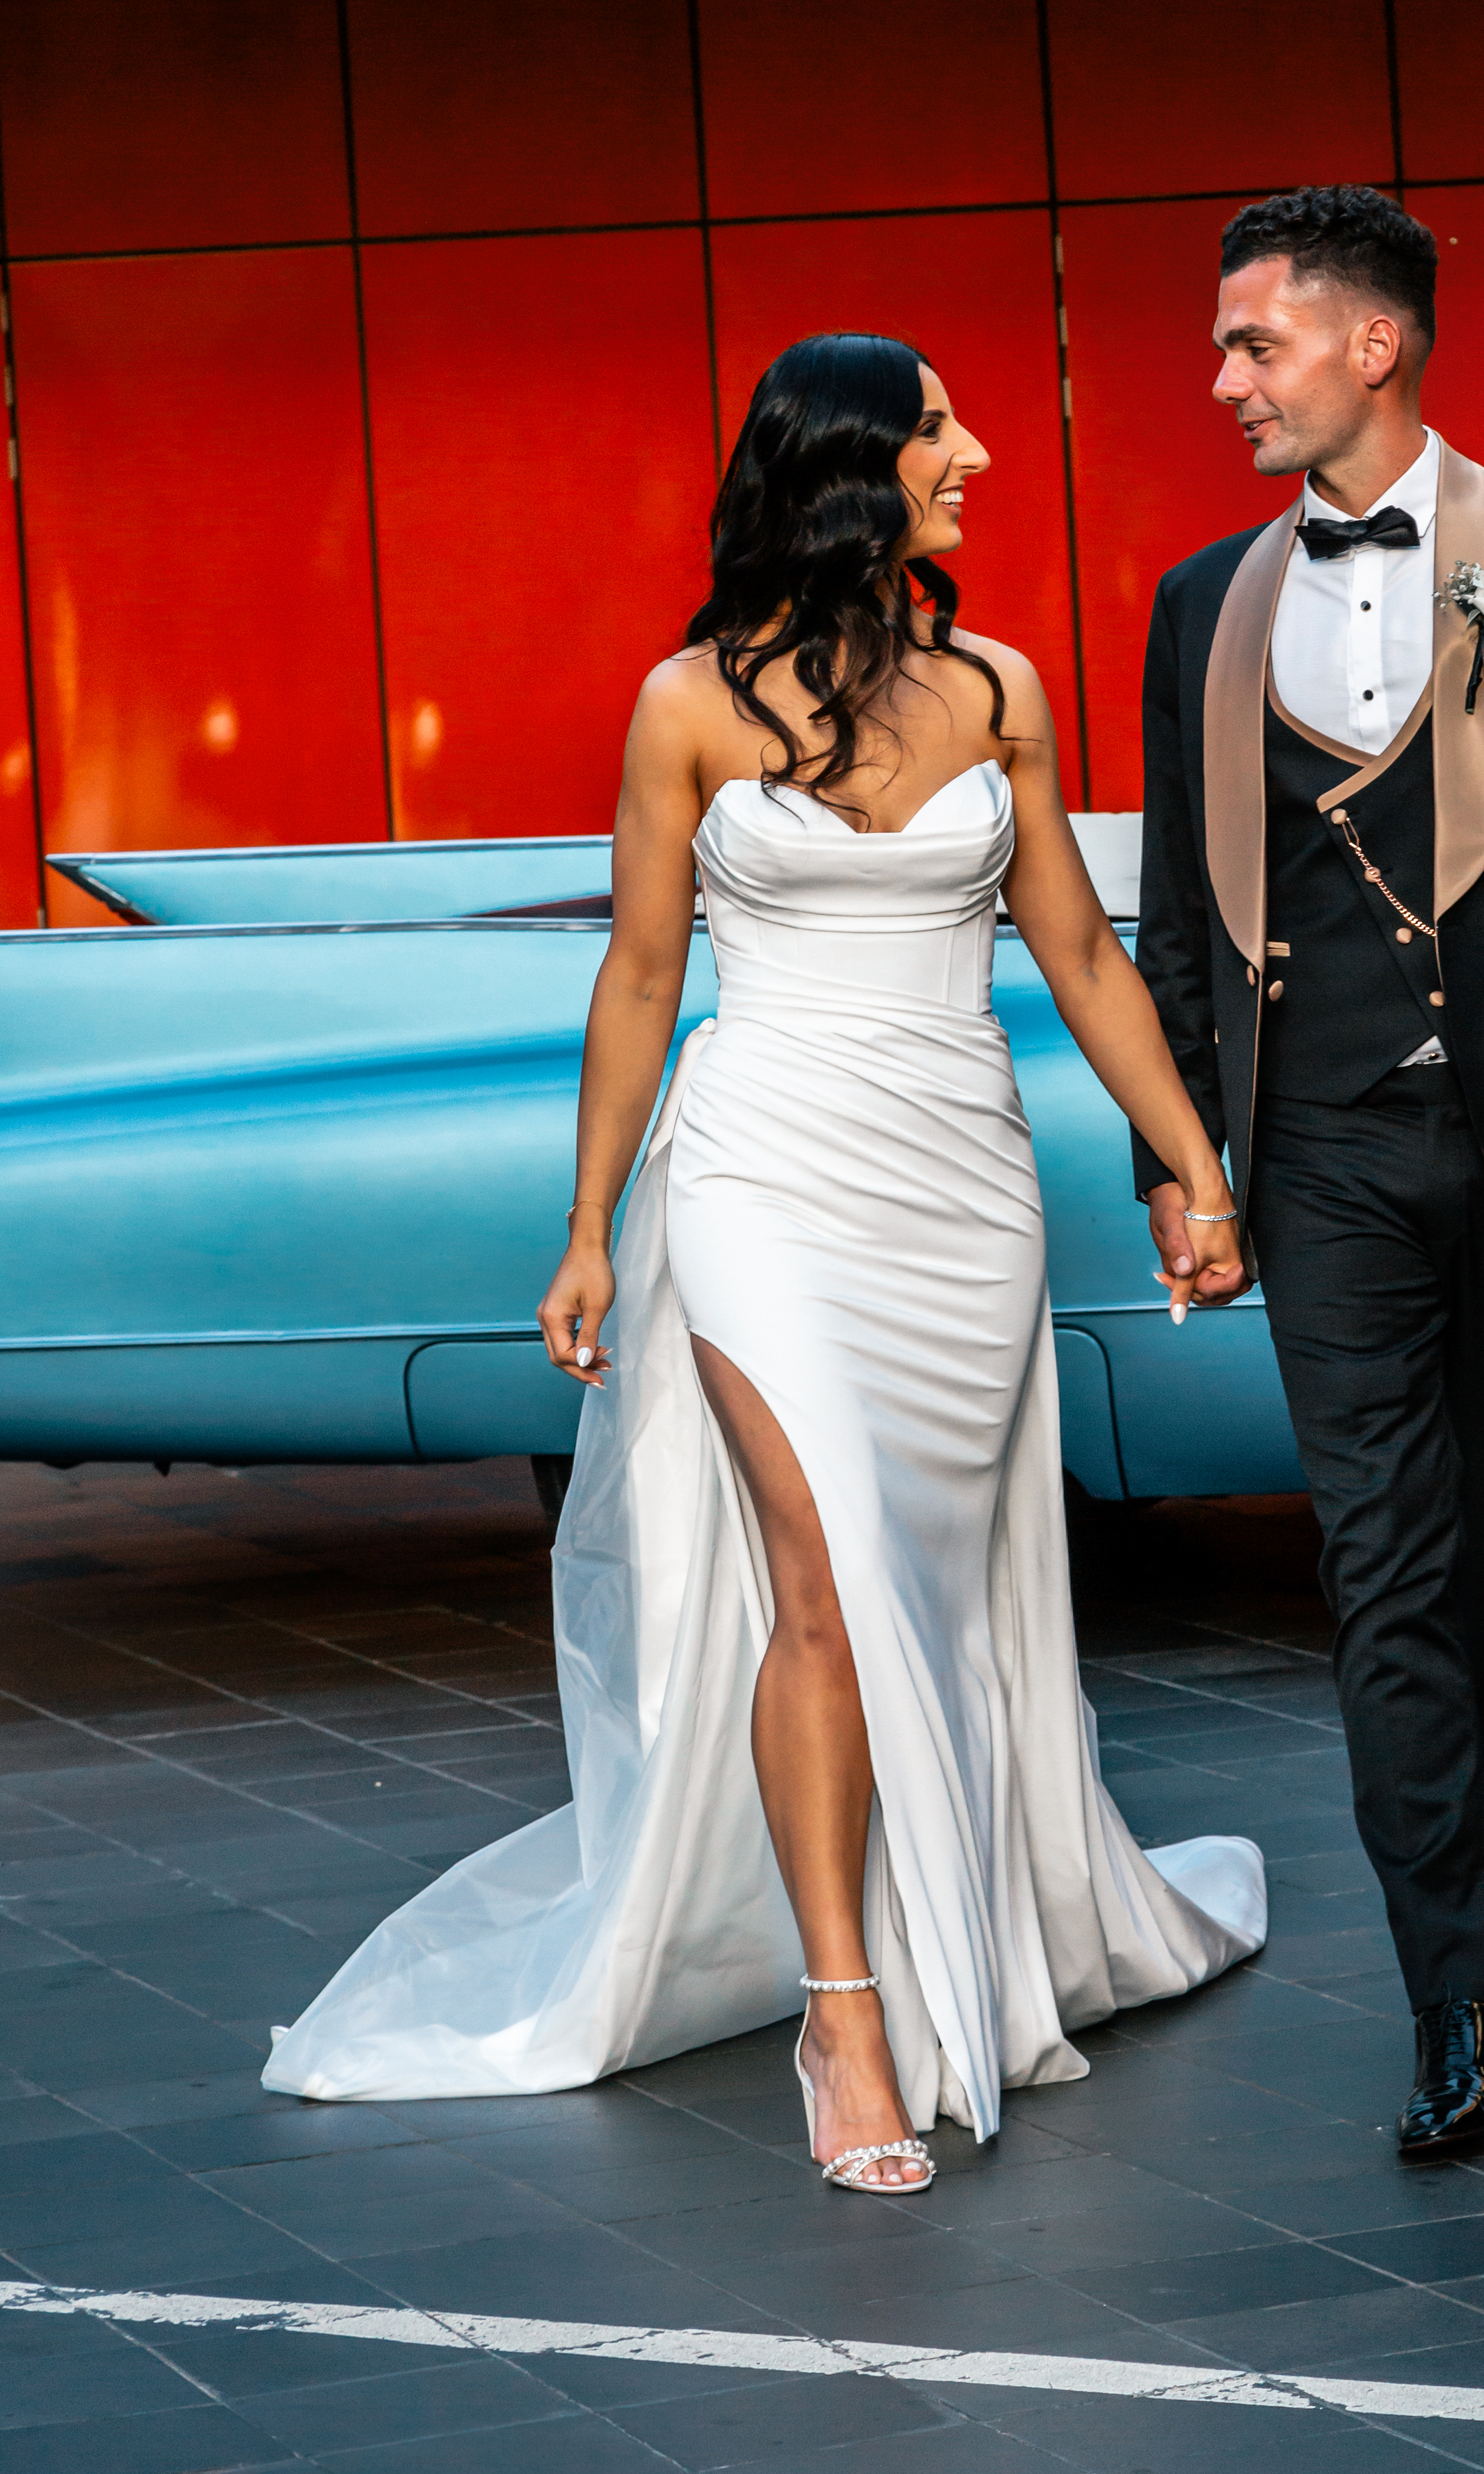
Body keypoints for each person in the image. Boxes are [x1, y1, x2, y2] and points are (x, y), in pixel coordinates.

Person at [265, 332, 1265, 2187]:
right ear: (850, 470)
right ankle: (843, 2014)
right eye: (939, 429)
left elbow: (1086, 960)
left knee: (939, 1592)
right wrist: (586, 1229)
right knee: (818, 1581)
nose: (973, 455)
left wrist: (1201, 1167)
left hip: (959, 1190)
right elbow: (641, 975)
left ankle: (971, 1909)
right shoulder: (686, 707)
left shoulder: (999, 690)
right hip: (757, 1179)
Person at [1133, 185, 1484, 2164]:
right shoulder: (1199, 606)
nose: (1223, 380)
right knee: (1379, 1566)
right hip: (1323, 1155)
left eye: (1253, 342)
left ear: (1373, 345)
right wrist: (1181, 1158)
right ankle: (1454, 1989)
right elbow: (1179, 928)